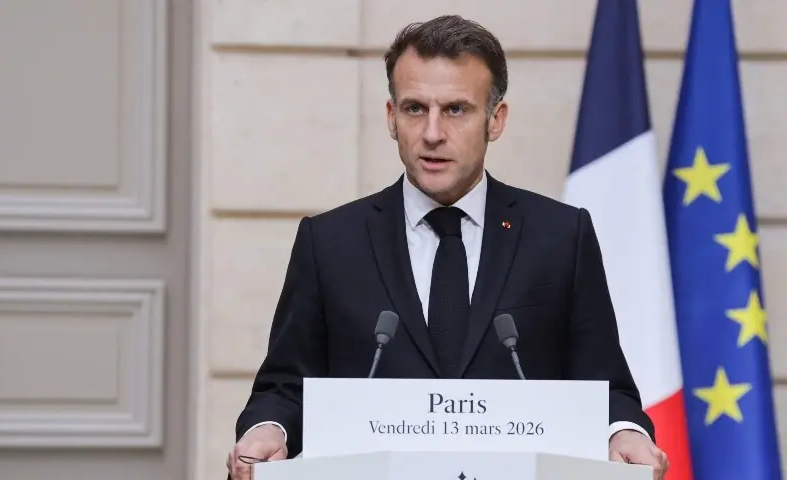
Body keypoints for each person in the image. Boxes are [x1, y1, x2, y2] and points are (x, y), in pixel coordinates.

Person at [227, 14, 669, 480]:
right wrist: (267, 428)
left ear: (495, 120)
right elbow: (285, 385)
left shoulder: (561, 236)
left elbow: (605, 386)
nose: (433, 133)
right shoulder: (330, 242)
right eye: (416, 108)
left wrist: (624, 431)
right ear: (391, 117)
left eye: (456, 109)